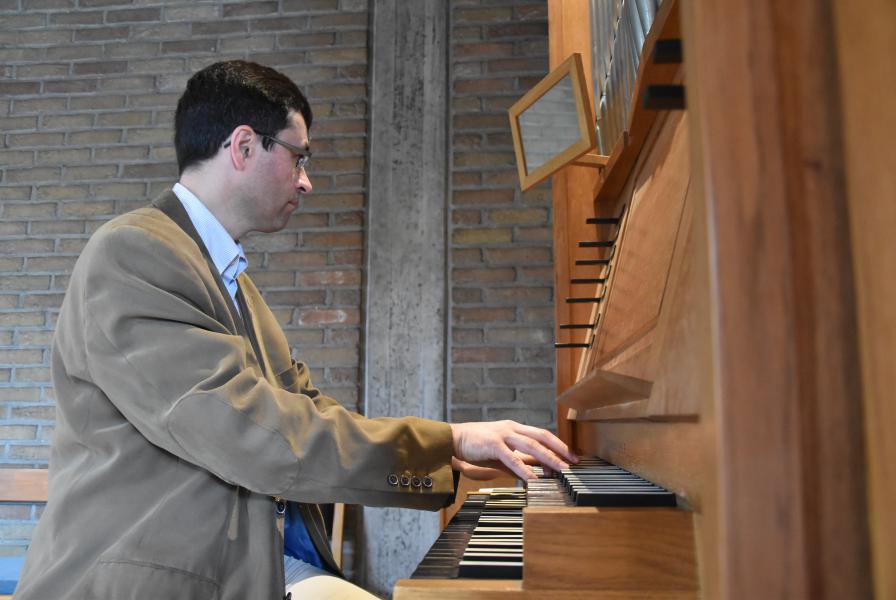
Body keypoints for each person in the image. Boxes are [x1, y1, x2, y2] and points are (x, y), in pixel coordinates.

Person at [15, 60, 576, 600]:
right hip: (143, 578)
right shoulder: (133, 253)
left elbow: (310, 409)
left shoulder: (231, 280)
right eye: (297, 158)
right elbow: (249, 431)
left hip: (239, 561)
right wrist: (443, 441)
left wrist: (444, 449)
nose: (305, 182)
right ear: (242, 146)